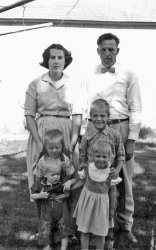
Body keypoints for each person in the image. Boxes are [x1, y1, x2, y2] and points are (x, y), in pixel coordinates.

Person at [84, 33, 142, 244]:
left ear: (118, 50)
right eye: (104, 49)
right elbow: (85, 105)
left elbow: (136, 107)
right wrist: (86, 133)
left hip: (121, 127)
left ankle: (125, 226)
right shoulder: (90, 74)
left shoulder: (128, 73)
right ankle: (94, 225)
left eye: (112, 49)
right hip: (95, 127)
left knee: (123, 180)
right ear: (97, 50)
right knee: (95, 176)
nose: (108, 53)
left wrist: (132, 139)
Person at [24, 43, 82, 191]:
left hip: (66, 131)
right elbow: (29, 115)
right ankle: (44, 210)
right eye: (52, 58)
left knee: (68, 170)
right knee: (42, 173)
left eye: (60, 58)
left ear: (65, 61)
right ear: (47, 61)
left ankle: (66, 211)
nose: (56, 61)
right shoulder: (35, 84)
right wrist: (38, 141)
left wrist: (74, 141)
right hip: (42, 131)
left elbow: (77, 114)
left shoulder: (74, 83)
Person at [72, 99, 125, 250]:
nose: (99, 119)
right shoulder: (87, 135)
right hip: (90, 180)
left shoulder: (115, 135)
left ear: (108, 116)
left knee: (105, 216)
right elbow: (82, 156)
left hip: (107, 182)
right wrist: (82, 165)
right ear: (90, 116)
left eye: (102, 115)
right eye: (95, 115)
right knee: (86, 221)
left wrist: (116, 170)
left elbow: (121, 155)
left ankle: (107, 240)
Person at [31, 129, 76, 250]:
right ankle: (46, 237)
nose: (54, 150)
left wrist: (69, 182)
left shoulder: (64, 160)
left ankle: (65, 239)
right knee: (45, 218)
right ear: (46, 147)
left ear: (62, 146)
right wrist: (40, 191)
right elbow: (38, 178)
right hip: (46, 192)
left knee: (64, 218)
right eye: (51, 148)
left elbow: (72, 176)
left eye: (57, 147)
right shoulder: (42, 161)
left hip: (62, 191)